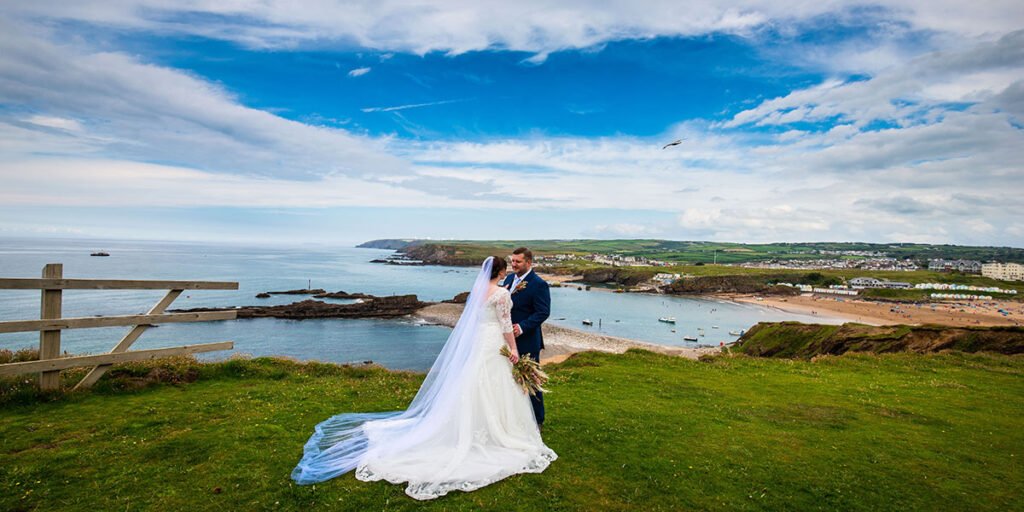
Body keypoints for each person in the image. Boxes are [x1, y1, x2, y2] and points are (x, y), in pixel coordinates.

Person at [291, 256, 556, 500]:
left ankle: (469, 427)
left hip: (478, 343)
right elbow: (506, 325)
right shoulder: (500, 292)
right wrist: (512, 349)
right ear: (501, 271)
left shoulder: (477, 291)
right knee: (494, 384)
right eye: (508, 264)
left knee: (473, 383)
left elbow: (476, 320)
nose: (511, 266)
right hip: (493, 341)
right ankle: (498, 432)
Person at [501, 247, 551, 427]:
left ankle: (538, 420)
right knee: (510, 379)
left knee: (531, 381)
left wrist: (521, 327)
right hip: (507, 340)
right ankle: (518, 417)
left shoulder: (538, 284)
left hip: (528, 341)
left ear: (528, 263)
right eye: (512, 261)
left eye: (517, 262)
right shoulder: (508, 279)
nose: (513, 265)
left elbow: (543, 312)